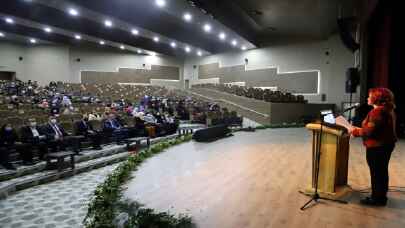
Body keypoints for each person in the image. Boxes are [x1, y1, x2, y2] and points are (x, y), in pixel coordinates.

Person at [350, 88, 397, 206]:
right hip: (386, 145)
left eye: (369, 96)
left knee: (376, 172)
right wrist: (361, 129)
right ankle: (381, 196)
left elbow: (369, 132)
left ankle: (377, 199)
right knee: (382, 171)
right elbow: (377, 129)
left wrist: (355, 132)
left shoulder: (377, 112)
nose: (367, 98)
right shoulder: (388, 110)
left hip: (377, 147)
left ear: (376, 99)